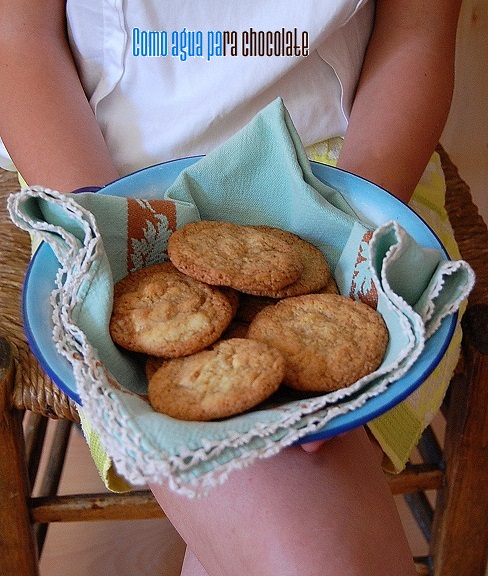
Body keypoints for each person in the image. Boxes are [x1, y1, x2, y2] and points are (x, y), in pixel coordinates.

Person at [0, 1, 462, 574]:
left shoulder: (351, 210)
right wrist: (114, 248)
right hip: (103, 180)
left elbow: (419, 31)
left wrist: (343, 247)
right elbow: (18, 38)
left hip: (352, 179)